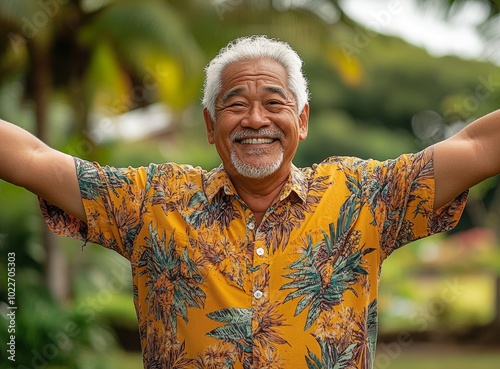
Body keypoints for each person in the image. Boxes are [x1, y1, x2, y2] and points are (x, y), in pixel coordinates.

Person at [0, 35, 499, 369]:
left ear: (301, 121)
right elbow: (33, 158)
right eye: (235, 103)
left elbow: (477, 146)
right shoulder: (151, 201)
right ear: (210, 125)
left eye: (274, 103)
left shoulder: (363, 197)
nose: (255, 118)